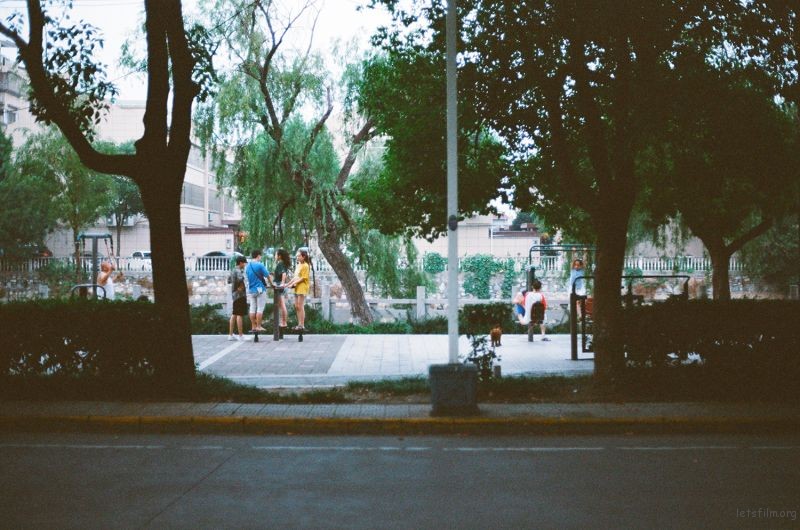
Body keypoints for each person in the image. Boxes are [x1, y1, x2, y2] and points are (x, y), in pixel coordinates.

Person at [284, 248, 310, 331]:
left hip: (302, 287)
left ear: (304, 256)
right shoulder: (299, 265)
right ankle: (299, 324)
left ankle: (302, 325)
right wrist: (288, 284)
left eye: (298, 256)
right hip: (296, 287)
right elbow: (295, 277)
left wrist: (292, 284)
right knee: (296, 306)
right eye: (297, 256)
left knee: (300, 306)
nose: (297, 257)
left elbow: (303, 278)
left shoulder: (306, 265)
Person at [246, 250, 270, 332]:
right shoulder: (260, 265)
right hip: (260, 289)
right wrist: (271, 284)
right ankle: (259, 326)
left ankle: (253, 326)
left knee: (252, 308)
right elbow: (267, 275)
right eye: (260, 256)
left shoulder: (248, 266)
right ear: (258, 256)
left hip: (251, 290)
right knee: (260, 308)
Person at [228, 255, 248, 341]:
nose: (245, 265)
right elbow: (241, 280)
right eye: (244, 263)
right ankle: (240, 335)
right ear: (240, 263)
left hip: (234, 294)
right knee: (239, 314)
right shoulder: (238, 271)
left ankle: (230, 334)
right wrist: (242, 288)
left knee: (234, 314)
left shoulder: (232, 270)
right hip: (240, 295)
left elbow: (229, 280)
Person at [272, 248, 292, 328]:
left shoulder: (280, 263)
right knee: (281, 304)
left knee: (282, 304)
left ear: (279, 256)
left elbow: (283, 274)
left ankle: (284, 322)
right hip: (280, 284)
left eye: (276, 254)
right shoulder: (282, 263)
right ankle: (283, 321)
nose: (275, 256)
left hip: (279, 285)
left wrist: (282, 284)